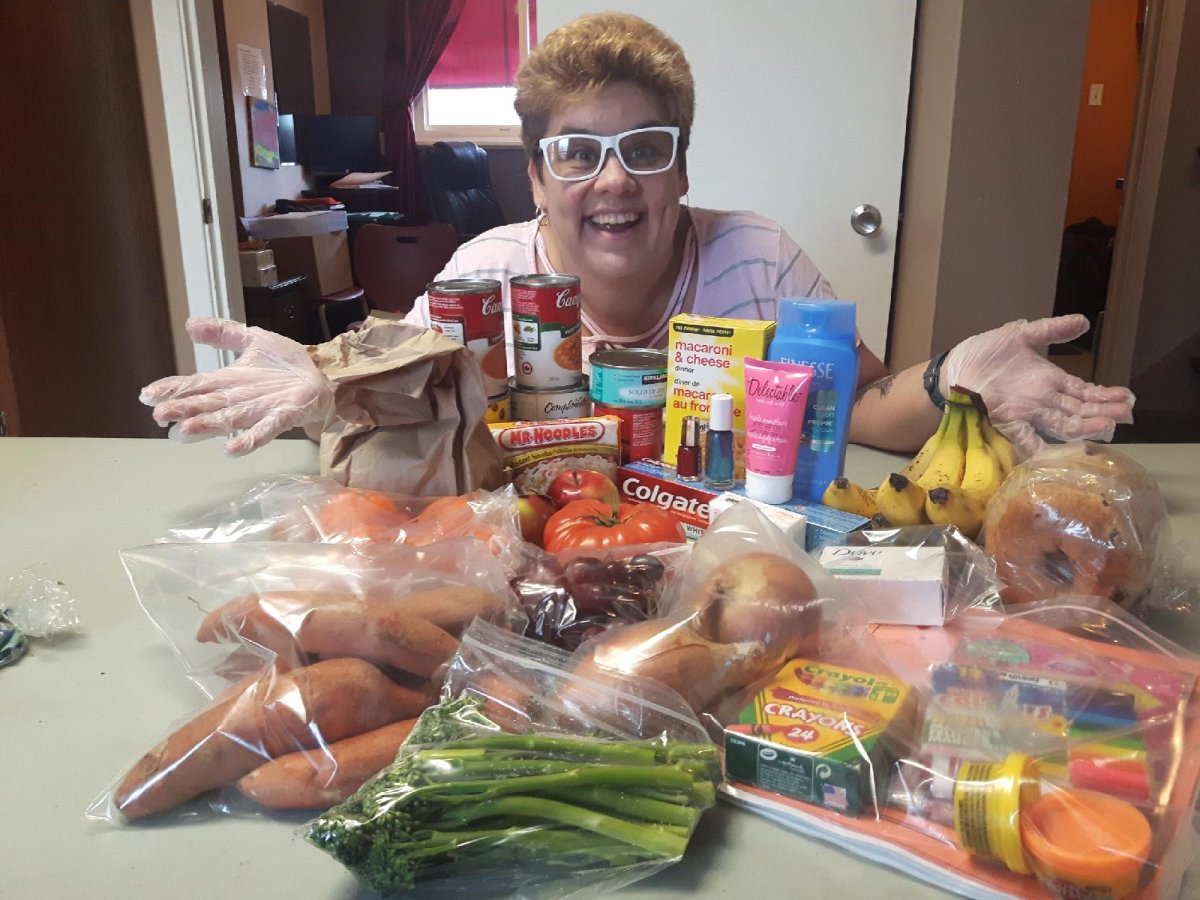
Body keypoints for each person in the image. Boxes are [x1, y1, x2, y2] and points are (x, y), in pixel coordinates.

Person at [142, 12, 1133, 461]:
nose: (612, 179)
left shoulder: (756, 258)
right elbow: (395, 396)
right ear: (536, 176)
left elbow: (861, 408)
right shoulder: (485, 274)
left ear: (684, 169)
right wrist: (320, 370)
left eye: (644, 148)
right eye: (575, 152)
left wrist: (958, 370)